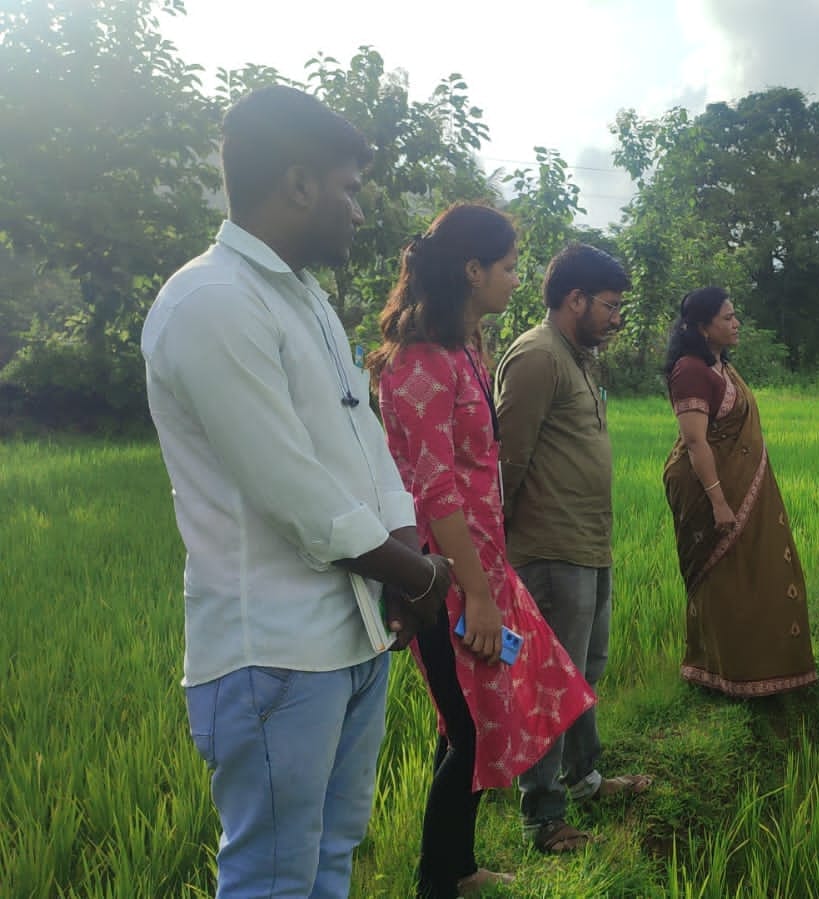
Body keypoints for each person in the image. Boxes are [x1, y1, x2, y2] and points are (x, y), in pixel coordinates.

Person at [141, 85, 453, 898]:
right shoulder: (212, 301)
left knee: (329, 857)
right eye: (348, 189)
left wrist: (408, 546)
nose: (357, 213)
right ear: (300, 182)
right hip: (272, 651)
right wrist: (415, 576)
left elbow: (364, 442)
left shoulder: (304, 299)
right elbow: (288, 484)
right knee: (273, 877)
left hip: (351, 637)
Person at [368, 204, 597, 896]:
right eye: (506, 266)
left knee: (468, 720)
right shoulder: (418, 365)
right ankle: (439, 881)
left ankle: (455, 868)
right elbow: (435, 492)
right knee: (467, 727)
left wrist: (488, 584)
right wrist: (473, 593)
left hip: (481, 568)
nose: (514, 278)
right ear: (472, 271)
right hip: (440, 576)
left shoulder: (465, 348)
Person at [494, 243, 650, 852]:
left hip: (588, 542)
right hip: (550, 548)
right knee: (546, 683)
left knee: (582, 674)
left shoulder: (579, 356)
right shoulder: (536, 357)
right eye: (610, 306)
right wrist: (497, 557)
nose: (617, 318)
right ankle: (543, 816)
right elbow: (507, 461)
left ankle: (584, 779)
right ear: (575, 300)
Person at [663, 287, 818, 695]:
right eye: (727, 318)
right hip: (707, 488)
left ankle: (765, 670)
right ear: (701, 326)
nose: (736, 324)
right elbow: (696, 443)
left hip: (742, 483)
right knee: (724, 580)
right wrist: (718, 502)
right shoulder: (691, 370)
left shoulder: (722, 367)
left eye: (735, 316)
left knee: (760, 570)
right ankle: (719, 673)